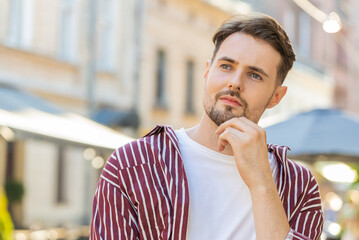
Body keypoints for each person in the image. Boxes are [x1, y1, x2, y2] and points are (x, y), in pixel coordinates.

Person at [91, 13, 323, 240]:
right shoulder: (132, 164)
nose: (235, 82)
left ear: (276, 97)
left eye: (254, 75)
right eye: (226, 66)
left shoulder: (299, 186)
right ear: (206, 71)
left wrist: (262, 182)